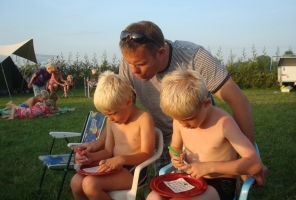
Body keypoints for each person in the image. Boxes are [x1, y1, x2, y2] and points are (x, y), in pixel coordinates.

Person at [79, 21, 267, 186]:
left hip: (203, 132)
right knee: (161, 188)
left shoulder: (194, 57)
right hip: (166, 139)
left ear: (160, 52)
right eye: (129, 63)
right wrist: (100, 142)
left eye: (141, 64)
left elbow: (237, 99)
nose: (133, 70)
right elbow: (121, 108)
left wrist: (246, 158)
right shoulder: (130, 64)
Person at [146, 68, 262, 200]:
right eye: (178, 119)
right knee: (153, 197)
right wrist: (176, 157)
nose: (183, 124)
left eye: (188, 119)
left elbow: (254, 164)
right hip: (190, 178)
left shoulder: (223, 123)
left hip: (220, 182)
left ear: (206, 103)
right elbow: (175, 148)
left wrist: (210, 167)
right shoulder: (180, 121)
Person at [70, 70, 155, 200]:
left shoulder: (144, 119)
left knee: (90, 184)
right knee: (76, 182)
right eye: (106, 114)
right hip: (112, 165)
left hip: (133, 171)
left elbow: (147, 153)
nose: (110, 118)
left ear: (128, 102)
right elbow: (108, 151)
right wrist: (91, 157)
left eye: (113, 113)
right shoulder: (111, 121)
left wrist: (121, 159)